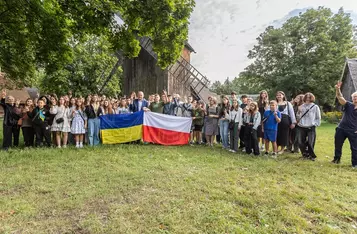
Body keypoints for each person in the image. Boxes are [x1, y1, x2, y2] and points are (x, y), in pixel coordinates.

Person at [332, 81, 357, 168]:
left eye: (356, 97)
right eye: (354, 97)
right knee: (338, 145)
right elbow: (339, 97)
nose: (355, 98)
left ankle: (355, 164)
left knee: (354, 148)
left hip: (353, 131)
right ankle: (336, 159)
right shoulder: (348, 105)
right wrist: (338, 89)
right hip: (341, 129)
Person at [296, 93, 321, 161]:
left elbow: (318, 117)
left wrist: (315, 124)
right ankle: (305, 154)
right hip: (301, 126)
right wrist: (298, 111)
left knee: (310, 142)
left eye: (309, 97)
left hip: (311, 126)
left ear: (312, 98)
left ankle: (311, 156)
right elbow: (298, 117)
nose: (308, 99)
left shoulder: (315, 107)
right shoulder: (301, 106)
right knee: (300, 142)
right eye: (306, 97)